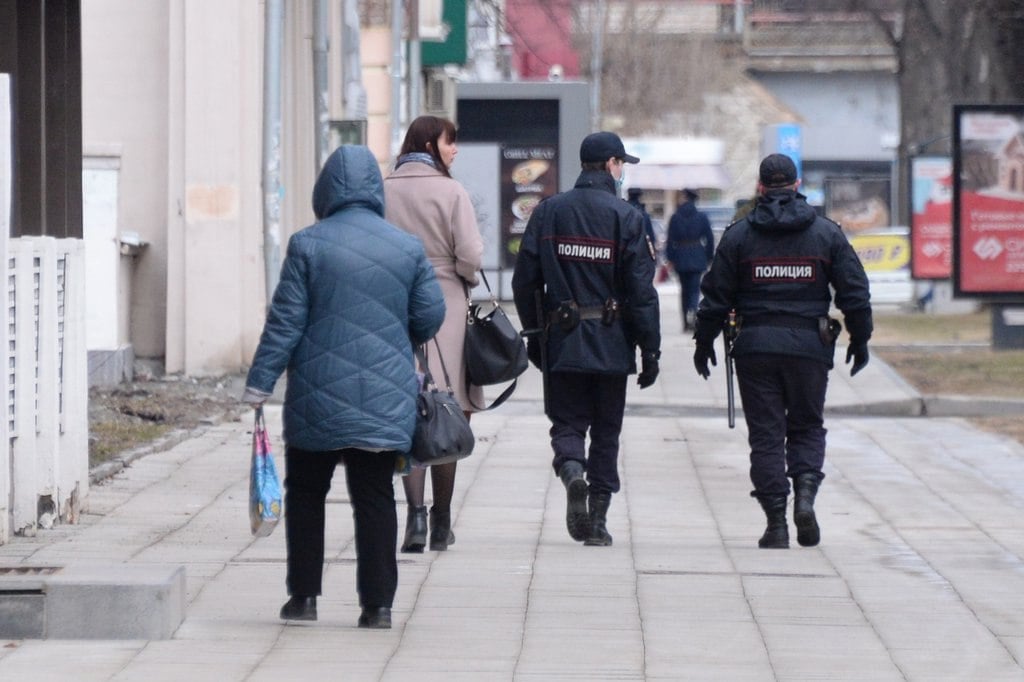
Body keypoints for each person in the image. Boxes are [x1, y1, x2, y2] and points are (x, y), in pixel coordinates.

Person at [242, 145, 446, 629]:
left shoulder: (307, 244)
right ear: (375, 190)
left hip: (316, 396)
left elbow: (285, 324)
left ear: (325, 188)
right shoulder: (407, 247)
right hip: (383, 398)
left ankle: (304, 599)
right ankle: (377, 607)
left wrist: (259, 383)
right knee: (375, 497)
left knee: (307, 493)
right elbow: (430, 316)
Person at [691, 153, 872, 550]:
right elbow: (854, 292)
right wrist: (860, 339)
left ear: (760, 187)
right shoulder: (826, 234)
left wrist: (704, 343)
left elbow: (715, 297)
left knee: (767, 435)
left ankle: (776, 524)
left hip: (755, 348)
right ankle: (804, 498)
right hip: (809, 346)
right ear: (797, 183)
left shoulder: (739, 235)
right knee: (806, 426)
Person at [512, 131, 661, 547]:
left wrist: (535, 334)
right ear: (612, 165)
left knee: (568, 421)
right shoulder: (627, 218)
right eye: (621, 165)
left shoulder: (548, 212)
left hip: (562, 338)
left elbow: (525, 280)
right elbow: (641, 292)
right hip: (612, 341)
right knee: (607, 430)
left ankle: (573, 472)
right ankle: (597, 520)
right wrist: (650, 350)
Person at [384, 115, 484, 554]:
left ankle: (416, 516)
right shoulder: (451, 191)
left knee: (408, 410)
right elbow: (470, 255)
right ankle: (442, 521)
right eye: (450, 142)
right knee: (447, 410)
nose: (455, 150)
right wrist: (461, 275)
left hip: (392, 304)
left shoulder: (382, 189)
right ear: (430, 143)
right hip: (445, 302)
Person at [665, 188, 714, 332]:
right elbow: (709, 239)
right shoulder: (701, 217)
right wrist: (708, 256)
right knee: (694, 289)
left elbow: (670, 240)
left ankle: (685, 321)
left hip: (681, 255)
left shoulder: (675, 217)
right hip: (697, 255)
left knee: (684, 290)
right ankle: (693, 312)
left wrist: (670, 258)